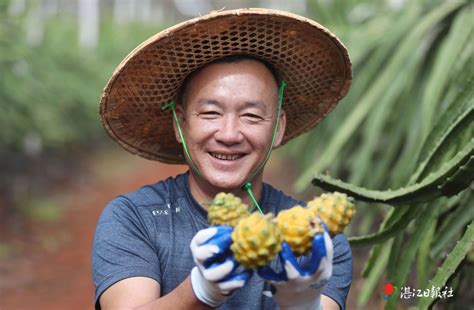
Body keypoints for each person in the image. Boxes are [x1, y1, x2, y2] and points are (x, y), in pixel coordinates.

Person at [93, 8, 352, 310]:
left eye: (252, 115)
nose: (229, 134)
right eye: (210, 112)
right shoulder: (134, 219)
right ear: (180, 124)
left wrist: (303, 304)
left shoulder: (320, 240)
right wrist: (199, 292)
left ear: (278, 128)